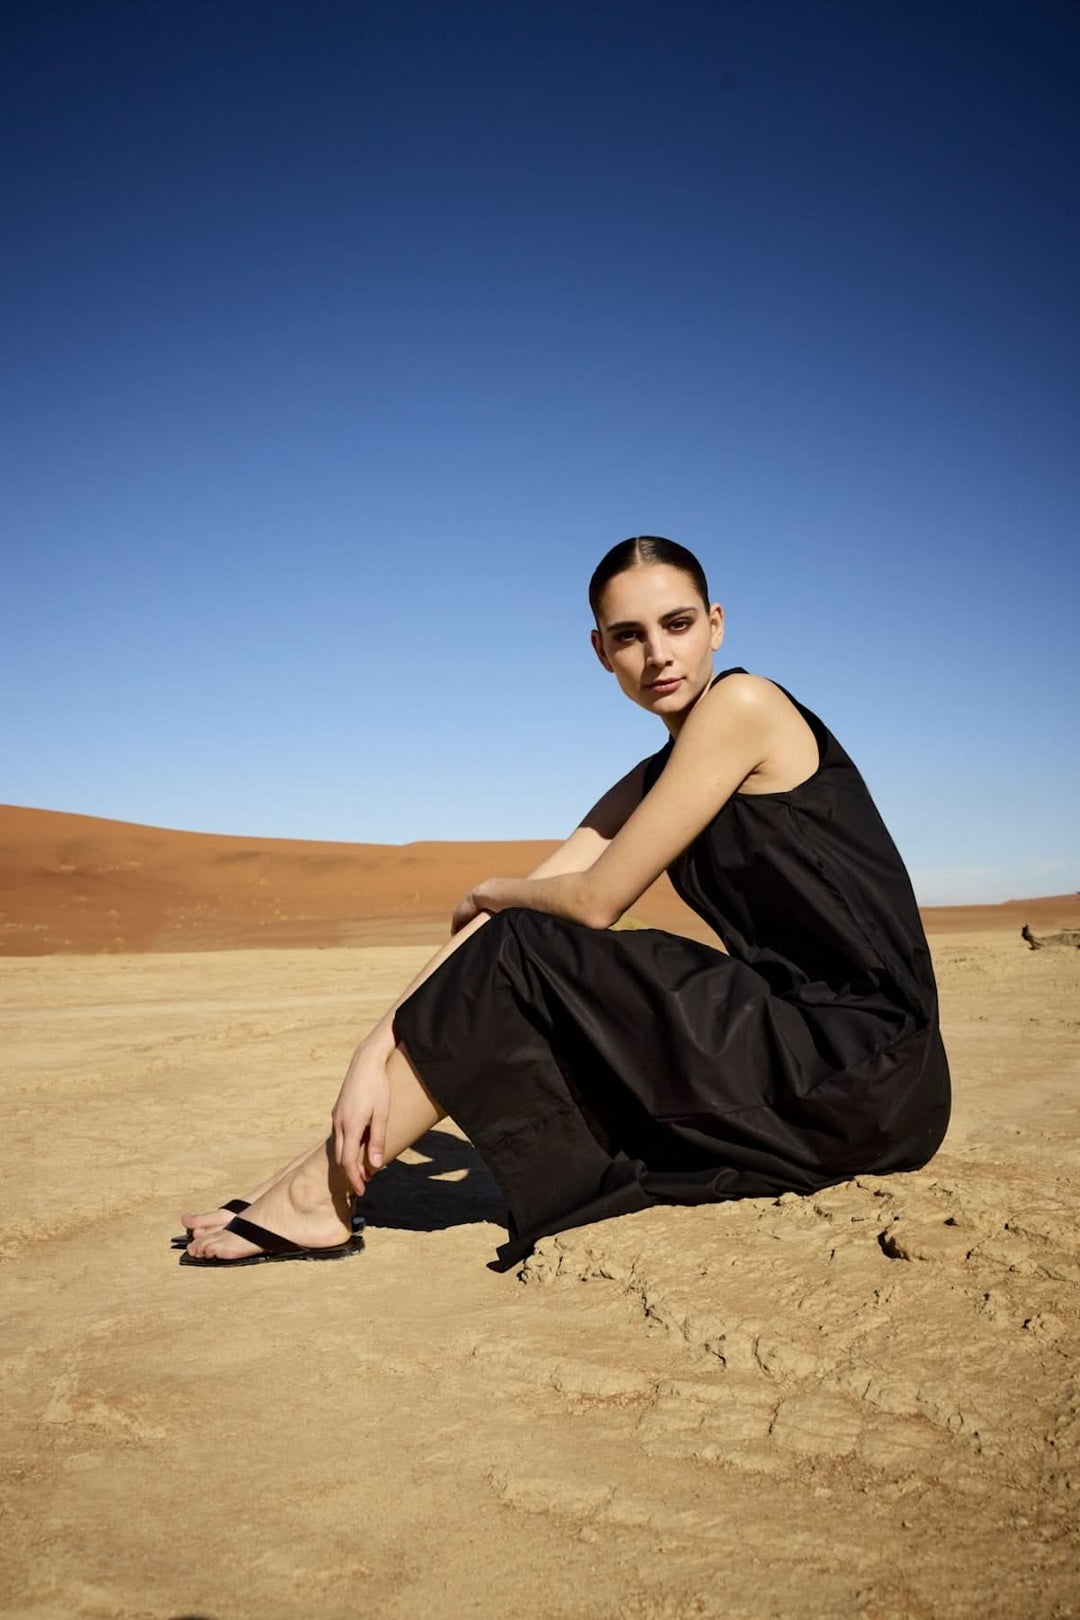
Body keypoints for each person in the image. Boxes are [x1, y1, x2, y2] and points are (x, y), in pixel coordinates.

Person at [178, 536, 951, 1269]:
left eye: (678, 624)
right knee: (516, 944)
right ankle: (305, 1184)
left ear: (715, 626)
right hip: (795, 1048)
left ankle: (321, 1198)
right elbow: (498, 930)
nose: (657, 655)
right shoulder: (657, 774)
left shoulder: (745, 705)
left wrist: (488, 889)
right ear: (600, 652)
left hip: (863, 1066)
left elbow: (591, 901)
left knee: (530, 941)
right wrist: (370, 1049)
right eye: (628, 636)